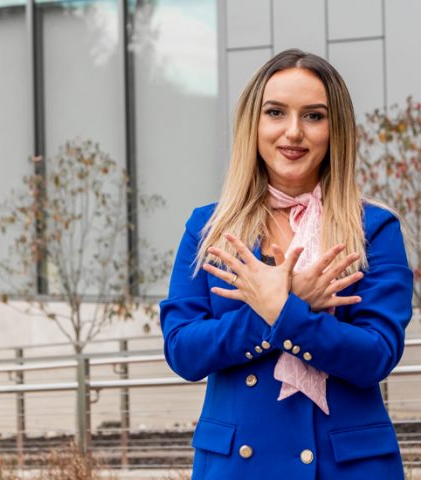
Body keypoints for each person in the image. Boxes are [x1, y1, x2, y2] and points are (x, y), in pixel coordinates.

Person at [159, 48, 413, 479]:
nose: (293, 132)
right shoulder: (209, 227)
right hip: (238, 466)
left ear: (336, 131)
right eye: (275, 112)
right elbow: (183, 349)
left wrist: (284, 311)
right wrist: (281, 307)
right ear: (252, 125)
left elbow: (376, 355)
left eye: (314, 116)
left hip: (347, 466)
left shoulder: (374, 227)